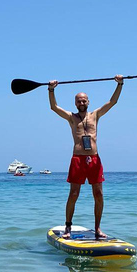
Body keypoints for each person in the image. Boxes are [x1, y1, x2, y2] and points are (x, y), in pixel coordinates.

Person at [48, 75, 124, 239]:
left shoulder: (95, 115)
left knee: (98, 194)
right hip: (78, 160)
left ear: (88, 102)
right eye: (78, 101)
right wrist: (51, 89)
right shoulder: (71, 117)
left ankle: (97, 229)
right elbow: (54, 107)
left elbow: (113, 102)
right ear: (75, 103)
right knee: (74, 194)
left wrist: (120, 84)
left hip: (94, 160)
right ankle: (68, 227)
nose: (81, 103)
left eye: (84, 101)